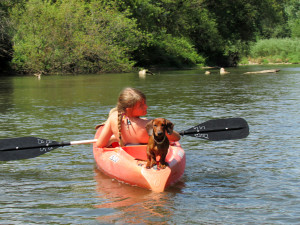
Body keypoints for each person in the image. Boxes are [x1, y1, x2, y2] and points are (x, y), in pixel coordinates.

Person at [96, 87, 181, 147]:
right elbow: (177, 138)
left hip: (127, 151)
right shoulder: (149, 124)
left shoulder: (113, 117)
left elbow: (100, 144)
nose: (146, 106)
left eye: (145, 103)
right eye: (141, 105)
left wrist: (114, 138)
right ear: (129, 109)